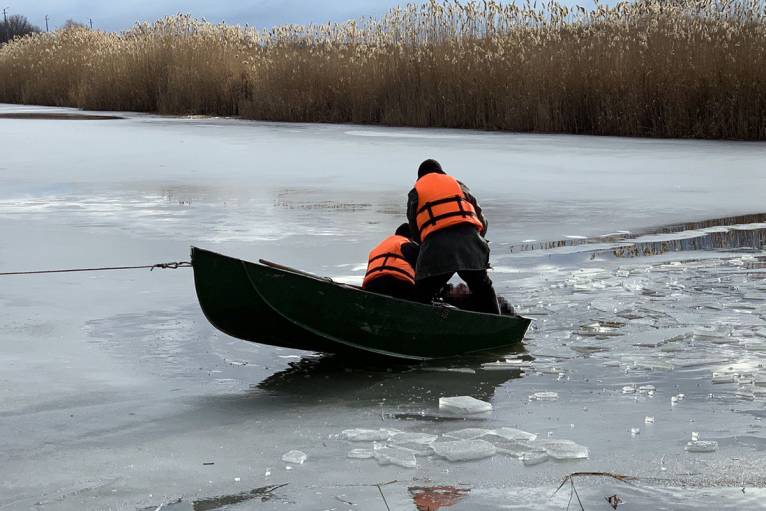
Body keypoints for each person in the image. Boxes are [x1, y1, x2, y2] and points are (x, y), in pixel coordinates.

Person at [406, 159, 500, 314]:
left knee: (422, 293)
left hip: (437, 247)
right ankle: (499, 325)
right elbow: (481, 219)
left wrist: (423, 249)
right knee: (483, 287)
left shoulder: (416, 191)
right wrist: (478, 239)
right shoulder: (459, 185)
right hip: (470, 244)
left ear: (420, 177)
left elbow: (414, 228)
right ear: (442, 172)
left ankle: (416, 325)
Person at [362, 223, 419, 300]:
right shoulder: (407, 243)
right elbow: (422, 271)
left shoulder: (376, 249)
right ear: (412, 237)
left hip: (371, 284)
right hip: (398, 284)